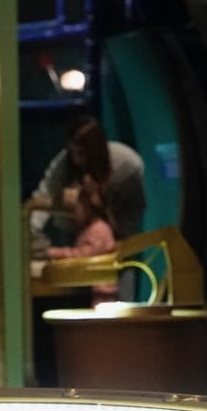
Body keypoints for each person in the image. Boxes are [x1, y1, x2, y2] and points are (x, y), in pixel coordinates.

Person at [30, 115, 146, 244]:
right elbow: (45, 195)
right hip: (72, 230)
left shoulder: (127, 164)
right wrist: (31, 229)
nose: (76, 159)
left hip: (116, 230)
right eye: (72, 152)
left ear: (95, 150)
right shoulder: (63, 163)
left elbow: (135, 205)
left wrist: (121, 234)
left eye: (80, 153)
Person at [46, 175, 118, 305]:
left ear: (86, 207)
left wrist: (53, 252)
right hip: (89, 288)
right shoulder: (89, 229)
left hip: (100, 295)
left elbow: (83, 255)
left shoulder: (100, 229)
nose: (73, 214)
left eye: (76, 209)